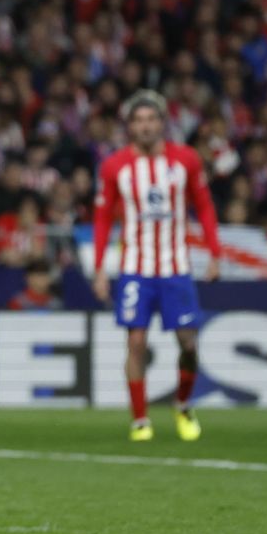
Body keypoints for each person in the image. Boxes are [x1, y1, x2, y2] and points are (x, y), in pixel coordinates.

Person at [91, 89, 221, 443]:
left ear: (162, 123)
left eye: (151, 119)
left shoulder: (186, 161)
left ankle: (183, 404)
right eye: (138, 120)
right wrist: (100, 267)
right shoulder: (115, 166)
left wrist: (214, 251)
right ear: (130, 127)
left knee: (188, 342)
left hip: (176, 266)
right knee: (135, 341)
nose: (145, 126)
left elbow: (205, 207)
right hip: (135, 266)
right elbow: (102, 218)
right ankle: (140, 420)